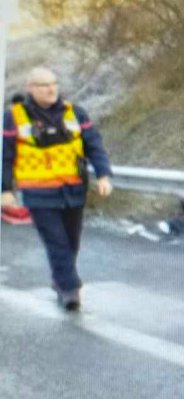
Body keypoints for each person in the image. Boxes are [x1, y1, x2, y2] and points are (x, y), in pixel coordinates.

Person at [2, 67, 113, 310]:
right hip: (39, 194)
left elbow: (94, 145)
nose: (51, 88)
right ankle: (70, 289)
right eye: (43, 85)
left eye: (53, 83)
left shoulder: (75, 112)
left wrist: (103, 174)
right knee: (57, 242)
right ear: (30, 88)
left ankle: (60, 279)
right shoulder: (15, 116)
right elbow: (6, 155)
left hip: (73, 190)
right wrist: (5, 189)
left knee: (71, 242)